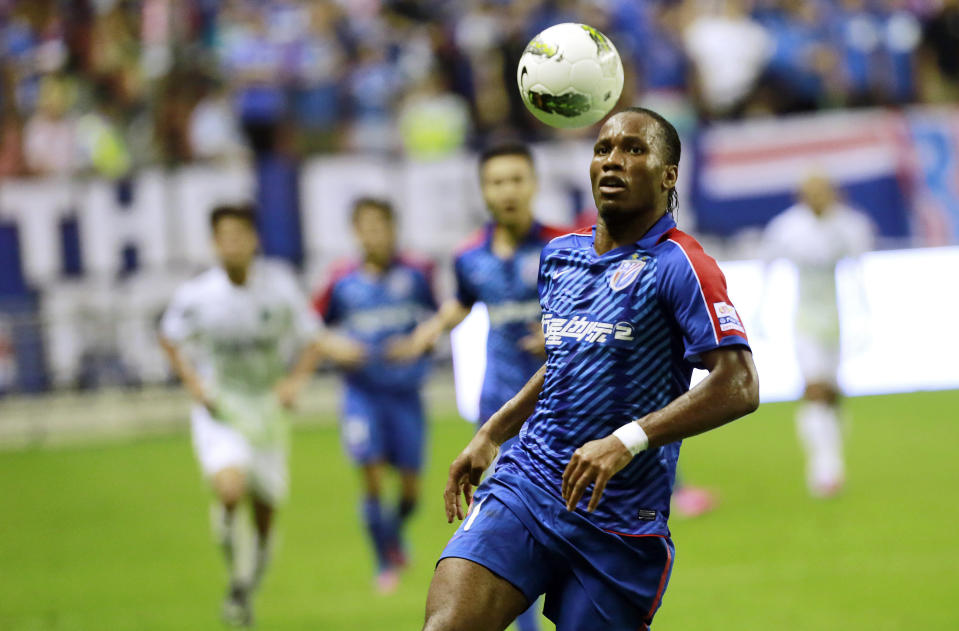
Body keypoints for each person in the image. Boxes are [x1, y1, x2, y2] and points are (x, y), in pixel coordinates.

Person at [421, 107, 760, 631]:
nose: (613, 161)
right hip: (527, 485)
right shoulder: (560, 255)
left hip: (620, 519)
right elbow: (567, 359)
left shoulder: (682, 264)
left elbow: (739, 385)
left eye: (633, 150)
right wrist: (494, 432)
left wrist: (626, 440)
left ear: (669, 175)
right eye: (603, 149)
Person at [391, 141, 566, 631]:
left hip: (562, 410)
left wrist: (556, 334)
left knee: (567, 523)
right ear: (483, 191)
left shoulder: (564, 247)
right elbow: (463, 302)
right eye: (496, 181)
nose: (507, 190)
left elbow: (593, 313)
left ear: (533, 184)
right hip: (499, 412)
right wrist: (427, 332)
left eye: (516, 179)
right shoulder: (469, 256)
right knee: (507, 529)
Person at [159, 205, 322, 627]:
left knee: (265, 515)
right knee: (230, 491)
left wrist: (294, 383)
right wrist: (194, 384)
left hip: (267, 409)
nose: (232, 243)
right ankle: (235, 576)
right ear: (214, 243)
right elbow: (170, 337)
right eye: (224, 236)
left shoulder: (279, 287)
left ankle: (245, 590)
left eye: (239, 235)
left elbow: (312, 338)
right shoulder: (199, 294)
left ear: (254, 240)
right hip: (223, 407)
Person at [312, 197, 437, 593]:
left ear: (393, 229)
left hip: (405, 394)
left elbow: (441, 319)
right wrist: (336, 347)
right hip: (362, 394)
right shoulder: (341, 280)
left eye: (380, 226)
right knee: (370, 476)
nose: (373, 235)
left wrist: (417, 343)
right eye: (365, 227)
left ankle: (395, 533)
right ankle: (383, 563)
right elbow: (312, 328)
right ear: (355, 233)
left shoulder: (416, 274)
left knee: (411, 492)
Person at [760, 172, 874, 497]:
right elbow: (767, 268)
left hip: (838, 320)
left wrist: (864, 318)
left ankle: (833, 460)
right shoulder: (787, 227)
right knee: (815, 389)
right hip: (804, 320)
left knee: (834, 393)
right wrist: (762, 315)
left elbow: (859, 269)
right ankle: (823, 468)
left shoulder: (849, 224)